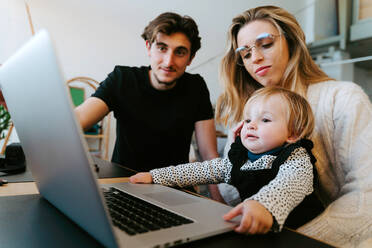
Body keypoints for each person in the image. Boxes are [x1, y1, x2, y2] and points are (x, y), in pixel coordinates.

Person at [213, 5, 372, 247]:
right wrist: (238, 153)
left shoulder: (344, 98)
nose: (255, 57)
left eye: (266, 44)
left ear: (291, 43)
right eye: (245, 54)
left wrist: (296, 242)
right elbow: (233, 198)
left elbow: (366, 197)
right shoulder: (247, 119)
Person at [130, 86, 323, 234]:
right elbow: (202, 171)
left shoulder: (296, 157)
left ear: (293, 133)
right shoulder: (239, 159)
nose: (252, 126)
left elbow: (289, 184)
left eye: (265, 120)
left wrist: (263, 205)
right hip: (257, 228)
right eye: (247, 120)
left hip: (301, 232)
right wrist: (156, 176)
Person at [75, 12, 219, 172]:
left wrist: (215, 197)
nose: (168, 61)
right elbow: (77, 120)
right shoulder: (122, 79)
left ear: (190, 58)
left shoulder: (196, 87)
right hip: (125, 184)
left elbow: (209, 156)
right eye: (162, 48)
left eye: (179, 52)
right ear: (149, 47)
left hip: (175, 189)